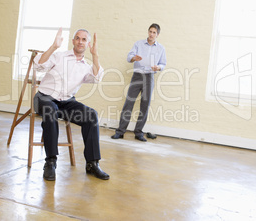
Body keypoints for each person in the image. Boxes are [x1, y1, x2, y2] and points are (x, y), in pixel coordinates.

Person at [33, 28, 109, 181]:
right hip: (44, 98)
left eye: (84, 39)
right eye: (77, 38)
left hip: (66, 102)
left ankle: (92, 164)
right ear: (73, 41)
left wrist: (95, 55)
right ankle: (51, 162)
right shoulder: (59, 56)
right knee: (50, 110)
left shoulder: (86, 66)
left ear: (87, 44)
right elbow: (38, 65)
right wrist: (54, 46)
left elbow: (97, 77)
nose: (80, 42)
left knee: (91, 115)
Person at [111, 23, 166, 142]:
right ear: (148, 32)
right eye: (150, 31)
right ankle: (120, 131)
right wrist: (134, 58)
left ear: (158, 35)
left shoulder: (161, 48)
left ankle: (138, 132)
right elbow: (129, 57)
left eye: (154, 33)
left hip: (149, 76)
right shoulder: (138, 44)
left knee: (145, 105)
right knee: (128, 103)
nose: (151, 34)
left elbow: (163, 64)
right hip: (137, 76)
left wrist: (158, 67)